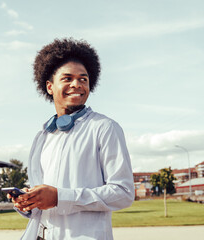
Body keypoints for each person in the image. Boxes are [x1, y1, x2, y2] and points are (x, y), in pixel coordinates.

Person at [9, 38, 135, 240]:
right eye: (67, 78)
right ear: (50, 87)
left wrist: (60, 197)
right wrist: (28, 202)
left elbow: (123, 193)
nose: (76, 84)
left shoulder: (105, 128)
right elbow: (44, 205)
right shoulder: (43, 137)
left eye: (83, 79)